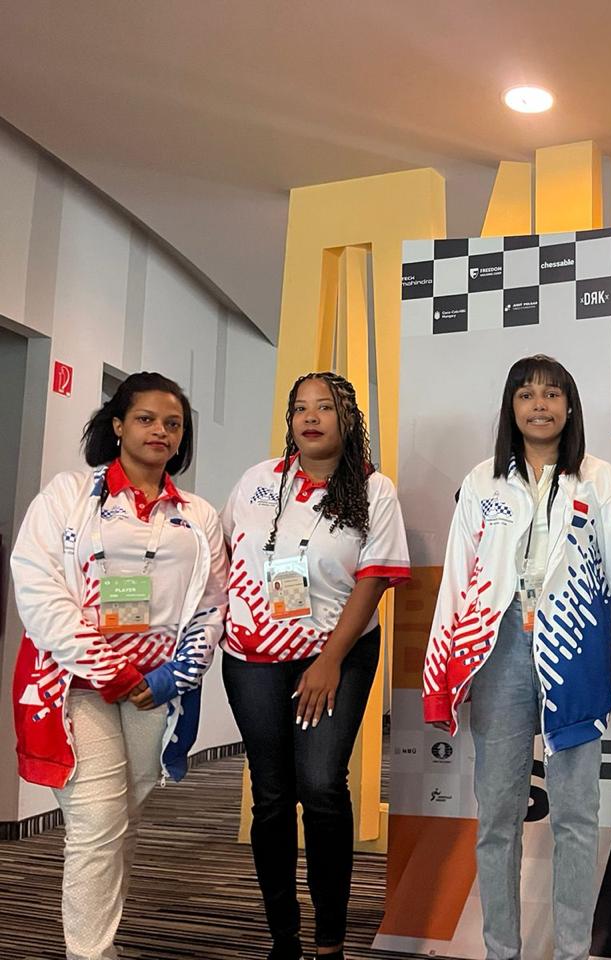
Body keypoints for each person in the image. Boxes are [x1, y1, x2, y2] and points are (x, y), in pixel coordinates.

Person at [423, 354, 611, 960]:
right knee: (498, 816)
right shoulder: (482, 482)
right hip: (497, 647)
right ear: (511, 407)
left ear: (570, 407)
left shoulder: (598, 479)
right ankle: (501, 951)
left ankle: (572, 952)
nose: (539, 405)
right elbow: (456, 581)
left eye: (552, 394)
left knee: (576, 816)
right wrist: (439, 677)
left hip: (575, 652)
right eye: (526, 394)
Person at [10, 372, 227, 960]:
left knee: (119, 822)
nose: (161, 431)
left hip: (154, 692)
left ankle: (100, 942)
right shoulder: (67, 496)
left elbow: (212, 603)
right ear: (117, 425)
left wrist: (177, 673)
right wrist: (110, 669)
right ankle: (89, 954)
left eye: (173, 424)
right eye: (146, 419)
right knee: (97, 824)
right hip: (77, 685)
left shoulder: (198, 515)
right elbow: (38, 587)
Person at [221, 371, 410, 960]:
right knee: (272, 795)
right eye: (300, 408)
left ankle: (330, 940)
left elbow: (373, 579)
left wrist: (328, 661)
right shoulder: (258, 481)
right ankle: (284, 938)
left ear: (347, 419)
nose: (310, 417)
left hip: (337, 654)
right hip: (252, 657)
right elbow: (223, 551)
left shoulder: (374, 490)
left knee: (323, 786)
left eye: (324, 407)